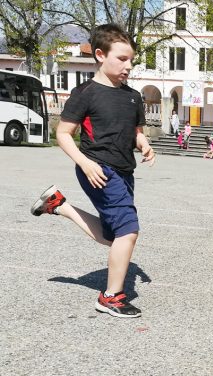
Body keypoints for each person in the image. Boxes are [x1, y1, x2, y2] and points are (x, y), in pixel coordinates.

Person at [30, 23, 155, 318]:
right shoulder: (85, 93)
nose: (128, 66)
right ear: (100, 55)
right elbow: (63, 133)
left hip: (125, 171)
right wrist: (86, 164)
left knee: (115, 237)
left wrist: (144, 143)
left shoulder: (133, 96)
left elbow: (135, 131)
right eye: (122, 59)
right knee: (128, 231)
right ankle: (111, 297)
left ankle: (59, 205)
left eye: (131, 60)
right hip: (97, 170)